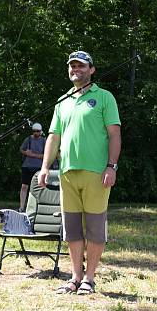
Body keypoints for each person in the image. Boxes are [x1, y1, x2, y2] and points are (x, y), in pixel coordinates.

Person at [38, 50, 121, 295]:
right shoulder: (62, 100)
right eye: (72, 66)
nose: (76, 70)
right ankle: (75, 277)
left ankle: (90, 278)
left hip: (97, 173)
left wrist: (111, 166)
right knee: (72, 229)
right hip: (67, 174)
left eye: (81, 66)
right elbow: (54, 137)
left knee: (95, 228)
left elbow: (115, 134)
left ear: (91, 70)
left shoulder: (105, 97)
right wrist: (45, 167)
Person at [19, 123, 46, 211]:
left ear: (41, 132)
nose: (35, 133)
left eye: (37, 131)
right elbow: (21, 149)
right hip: (26, 166)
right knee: (24, 187)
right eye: (34, 131)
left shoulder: (44, 141)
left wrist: (33, 155)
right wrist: (26, 153)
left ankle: (38, 208)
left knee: (39, 188)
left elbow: (46, 155)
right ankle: (22, 207)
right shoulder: (28, 139)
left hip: (38, 168)